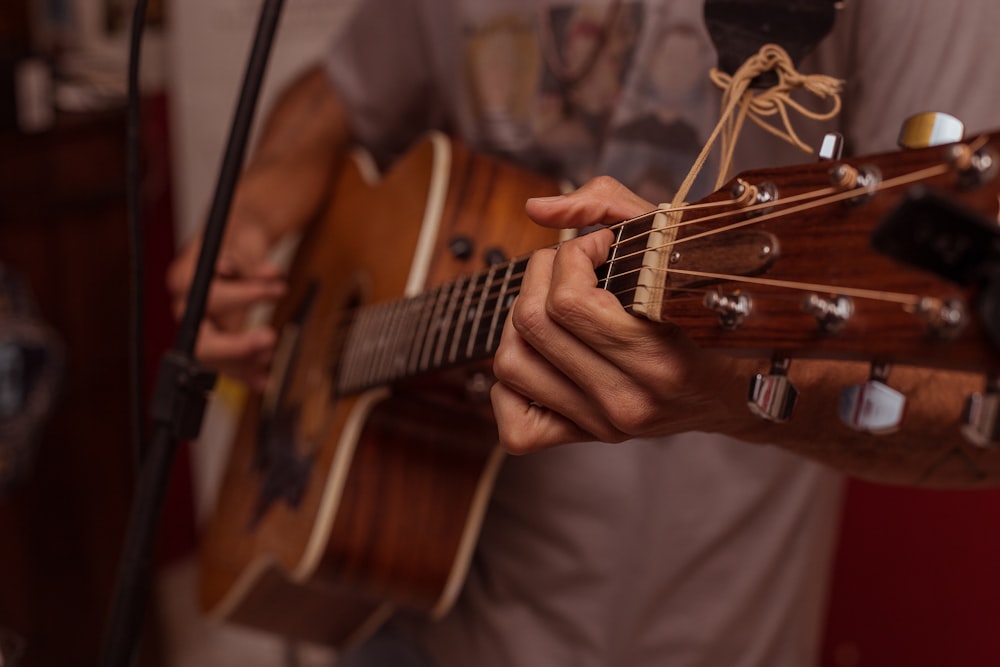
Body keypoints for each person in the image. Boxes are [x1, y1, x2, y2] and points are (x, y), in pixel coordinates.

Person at [167, 1, 1000, 665]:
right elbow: (338, 94)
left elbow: (975, 406)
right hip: (399, 598)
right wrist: (252, 210)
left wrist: (730, 392)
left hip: (680, 635)